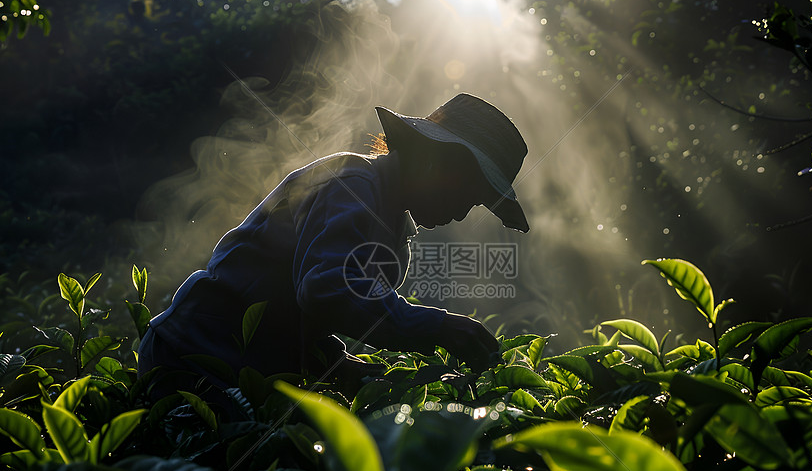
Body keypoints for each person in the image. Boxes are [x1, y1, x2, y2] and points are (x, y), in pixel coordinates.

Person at [137, 93, 529, 402]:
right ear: (435, 163)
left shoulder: (395, 230)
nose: (462, 214)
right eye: (467, 193)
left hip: (244, 370)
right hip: (194, 354)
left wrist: (340, 367)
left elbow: (300, 314)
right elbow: (327, 291)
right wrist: (440, 326)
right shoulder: (350, 182)